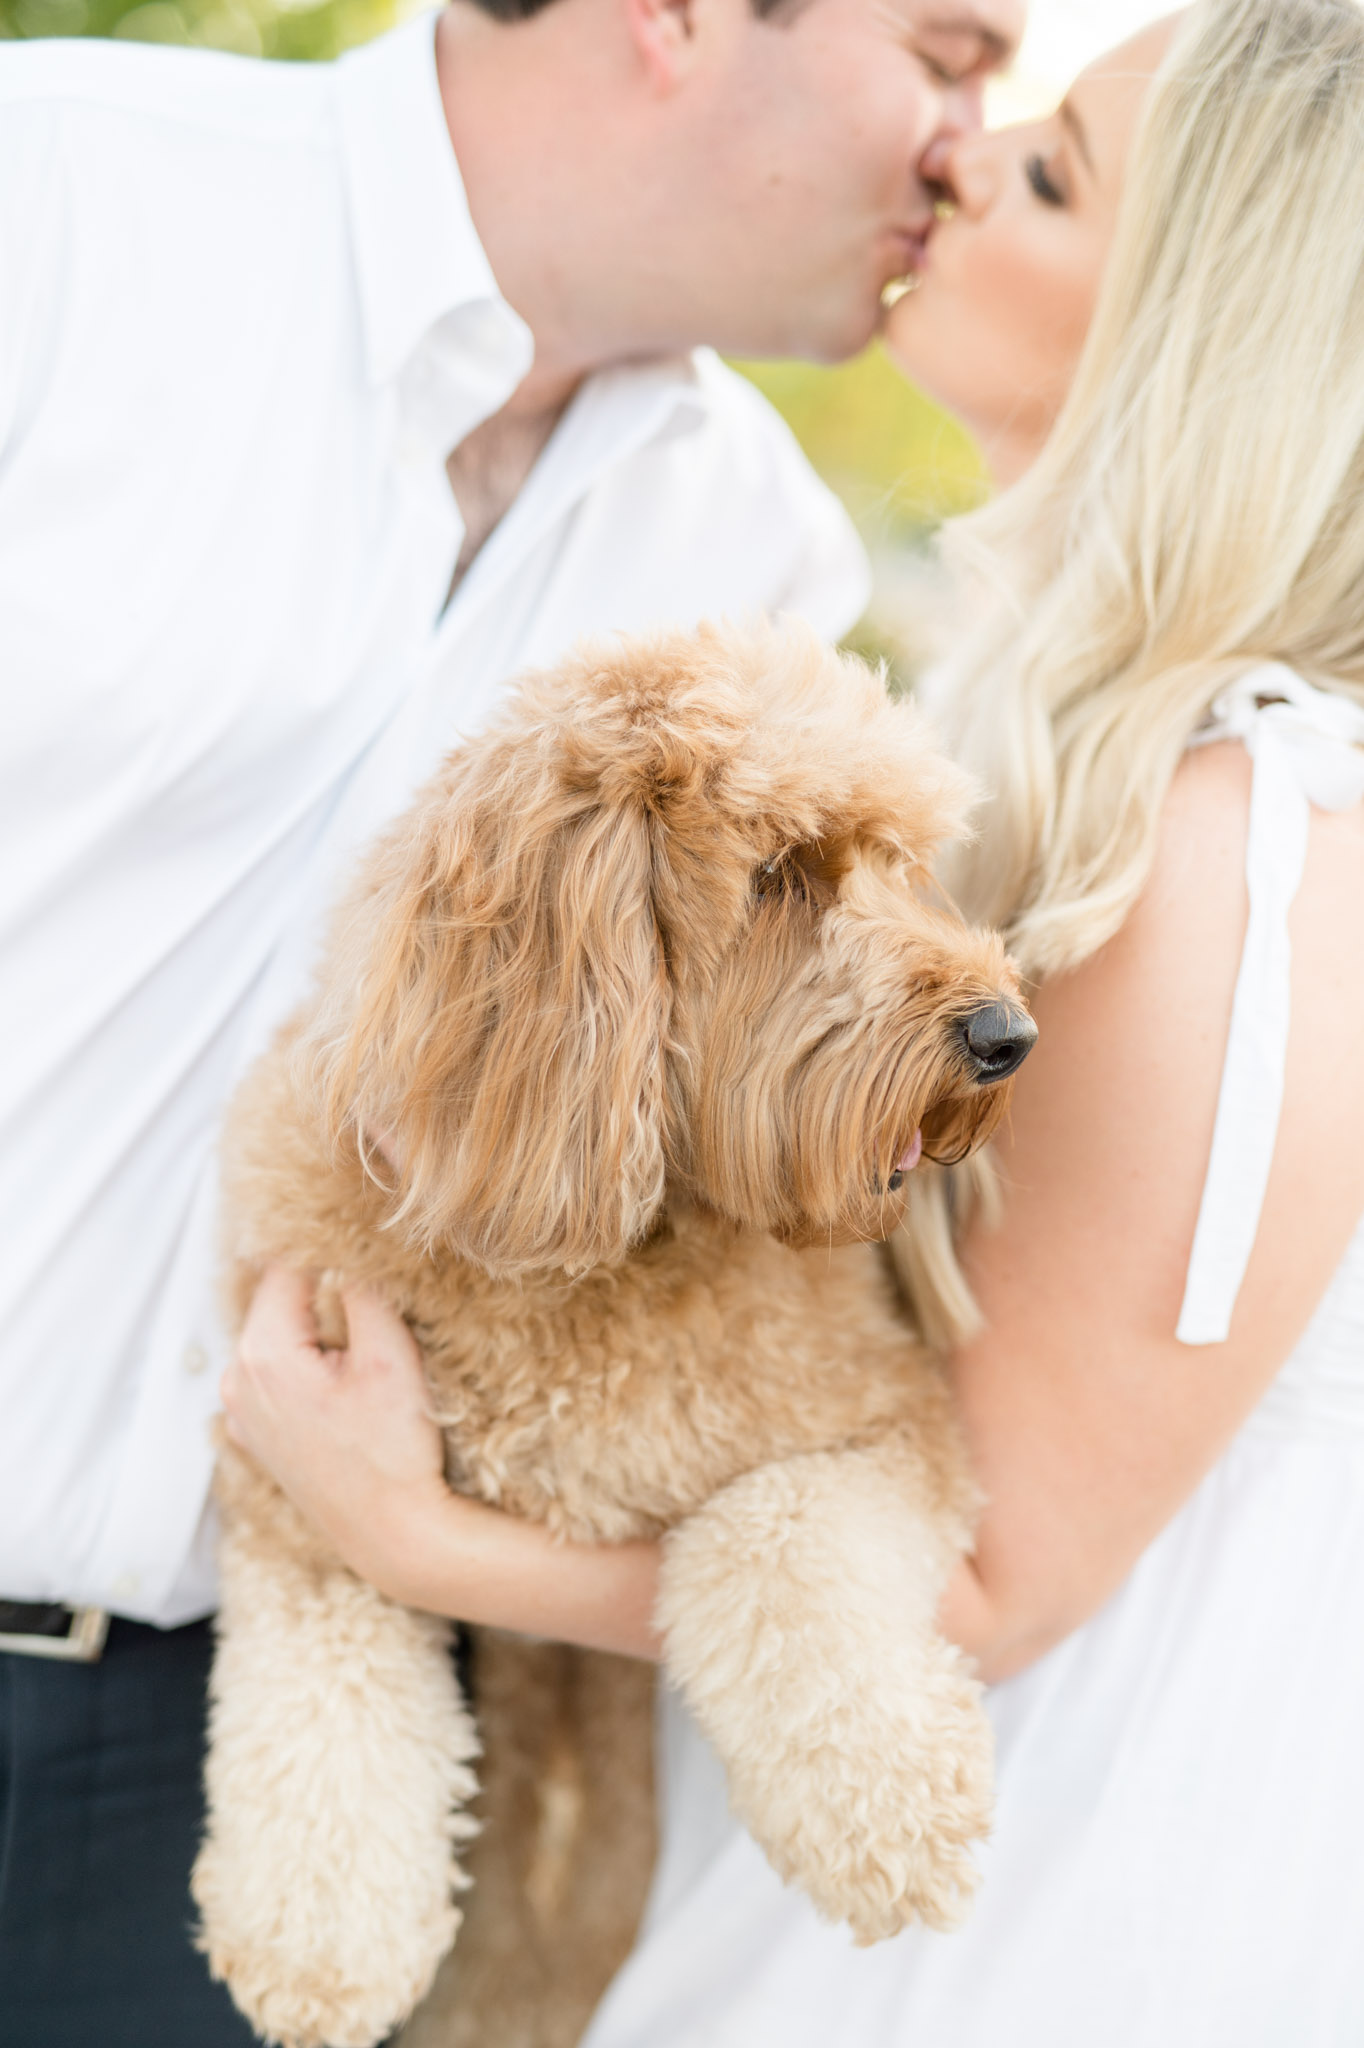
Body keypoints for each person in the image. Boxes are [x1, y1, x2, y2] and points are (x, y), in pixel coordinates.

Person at [225, 1, 1364, 2041]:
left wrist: (398, 1523)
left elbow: (991, 1581)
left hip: (1016, 1905)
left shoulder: (1235, 841)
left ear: (1200, 314)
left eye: (1041, 172)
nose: (950, 163)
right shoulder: (1053, 755)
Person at [0, 0, 1027, 2037]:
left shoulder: (752, 540)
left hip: (235, 1758)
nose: (969, 151)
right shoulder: (62, 198)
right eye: (944, 54)